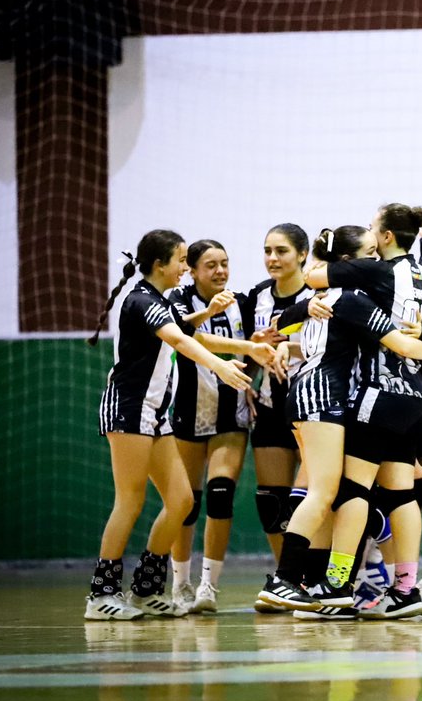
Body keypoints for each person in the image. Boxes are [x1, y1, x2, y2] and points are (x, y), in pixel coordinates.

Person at [85, 229, 280, 621]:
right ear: (160, 265)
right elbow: (182, 341)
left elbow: (193, 332)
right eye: (180, 260)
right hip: (129, 410)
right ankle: (101, 594)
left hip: (155, 414)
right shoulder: (142, 299)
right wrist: (223, 367)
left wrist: (248, 348)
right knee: (131, 500)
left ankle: (145, 589)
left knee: (182, 501)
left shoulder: (158, 301)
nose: (183, 269)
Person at [255, 225, 422, 613]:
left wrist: (293, 322)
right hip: (322, 393)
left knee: (329, 492)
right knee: (323, 492)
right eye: (369, 252)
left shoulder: (326, 296)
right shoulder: (351, 299)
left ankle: (318, 582)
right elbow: (401, 344)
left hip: (315, 392)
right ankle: (286, 580)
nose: (376, 258)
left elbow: (282, 319)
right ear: (349, 261)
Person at [304, 204, 422, 618]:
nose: (370, 235)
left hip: (383, 390)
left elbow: (312, 277)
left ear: (386, 237)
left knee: (353, 490)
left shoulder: (373, 271)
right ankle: (405, 590)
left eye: (374, 228)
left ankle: (336, 584)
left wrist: (330, 258)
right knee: (400, 493)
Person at [167, 239, 251, 614]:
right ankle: (180, 583)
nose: (219, 271)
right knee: (186, 504)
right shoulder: (178, 299)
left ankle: (208, 586)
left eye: (225, 263)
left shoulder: (241, 303)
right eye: (211, 265)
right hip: (187, 411)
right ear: (194, 270)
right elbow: (181, 332)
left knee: (220, 496)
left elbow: (254, 344)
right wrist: (207, 312)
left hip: (230, 415)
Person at [245, 224, 314, 598]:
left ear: (303, 254)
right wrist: (250, 375)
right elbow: (247, 353)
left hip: (311, 408)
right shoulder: (256, 297)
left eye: (282, 251)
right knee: (271, 499)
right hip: (271, 407)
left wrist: (290, 343)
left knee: (311, 495)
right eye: (268, 250)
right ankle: (284, 576)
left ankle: (310, 573)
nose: (273, 258)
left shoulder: (318, 294)